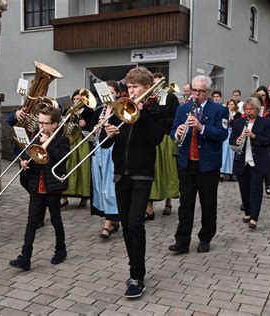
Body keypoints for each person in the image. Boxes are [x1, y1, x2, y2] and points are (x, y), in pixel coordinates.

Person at [101, 67, 167, 298]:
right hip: (121, 174)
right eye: (129, 87)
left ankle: (137, 276)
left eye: (135, 87)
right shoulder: (118, 108)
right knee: (127, 226)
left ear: (146, 88)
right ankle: (135, 269)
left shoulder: (156, 109)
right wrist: (107, 133)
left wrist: (141, 114)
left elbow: (156, 138)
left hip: (142, 174)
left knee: (135, 224)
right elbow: (104, 144)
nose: (131, 91)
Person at [169, 75, 228, 254]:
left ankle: (205, 238)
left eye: (201, 91)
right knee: (185, 204)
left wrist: (202, 128)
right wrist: (177, 133)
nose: (197, 94)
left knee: (208, 203)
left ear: (208, 92)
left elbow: (222, 134)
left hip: (208, 165)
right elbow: (172, 130)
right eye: (194, 90)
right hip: (187, 163)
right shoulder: (183, 108)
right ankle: (182, 241)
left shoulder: (219, 110)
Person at [9, 107, 70, 271]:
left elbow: (61, 159)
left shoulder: (62, 140)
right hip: (36, 185)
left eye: (45, 123)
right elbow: (29, 156)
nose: (41, 126)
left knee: (56, 219)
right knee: (31, 222)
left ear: (55, 124)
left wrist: (46, 144)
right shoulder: (35, 138)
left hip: (53, 187)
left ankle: (61, 250)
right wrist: (24, 162)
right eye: (40, 122)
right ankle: (25, 257)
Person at [230, 98, 270, 229]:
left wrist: (254, 136)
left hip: (257, 161)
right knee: (244, 189)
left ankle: (254, 218)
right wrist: (237, 141)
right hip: (242, 161)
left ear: (257, 109)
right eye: (247, 109)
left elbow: (269, 140)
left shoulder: (266, 122)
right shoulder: (238, 122)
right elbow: (231, 140)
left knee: (256, 190)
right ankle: (248, 213)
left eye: (252, 109)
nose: (249, 112)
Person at [146, 73, 180, 218]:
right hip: (152, 137)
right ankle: (149, 207)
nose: (156, 86)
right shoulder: (148, 97)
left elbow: (177, 117)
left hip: (166, 137)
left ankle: (168, 201)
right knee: (152, 171)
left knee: (167, 169)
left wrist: (161, 119)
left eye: (158, 83)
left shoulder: (170, 97)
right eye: (153, 83)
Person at [90, 80, 120, 239]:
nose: (107, 96)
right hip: (98, 150)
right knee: (101, 186)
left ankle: (108, 224)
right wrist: (96, 128)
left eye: (111, 92)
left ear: (117, 94)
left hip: (112, 151)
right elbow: (91, 130)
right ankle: (113, 220)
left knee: (110, 187)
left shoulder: (120, 110)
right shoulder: (99, 110)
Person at [60, 90, 93, 209]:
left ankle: (84, 196)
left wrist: (86, 124)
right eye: (74, 99)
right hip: (68, 142)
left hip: (82, 142)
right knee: (66, 167)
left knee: (82, 168)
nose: (76, 101)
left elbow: (93, 127)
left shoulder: (89, 111)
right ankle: (63, 197)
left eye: (79, 99)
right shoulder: (67, 110)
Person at [220, 99, 241, 180]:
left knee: (231, 153)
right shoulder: (224, 113)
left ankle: (231, 172)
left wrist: (233, 119)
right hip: (226, 133)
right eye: (229, 104)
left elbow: (238, 124)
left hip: (233, 133)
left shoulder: (238, 114)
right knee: (224, 152)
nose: (230, 106)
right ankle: (222, 171)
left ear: (235, 105)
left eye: (232, 104)